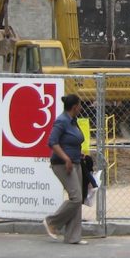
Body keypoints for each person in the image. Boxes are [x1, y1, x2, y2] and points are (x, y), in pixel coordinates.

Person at [43, 94, 88, 245]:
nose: (81, 108)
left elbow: (72, 140)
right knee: (76, 198)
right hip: (62, 165)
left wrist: (77, 153)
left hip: (76, 162)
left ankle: (73, 237)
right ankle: (52, 222)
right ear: (75, 107)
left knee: (78, 198)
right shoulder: (62, 121)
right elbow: (52, 142)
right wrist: (66, 158)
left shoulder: (73, 122)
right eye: (80, 105)